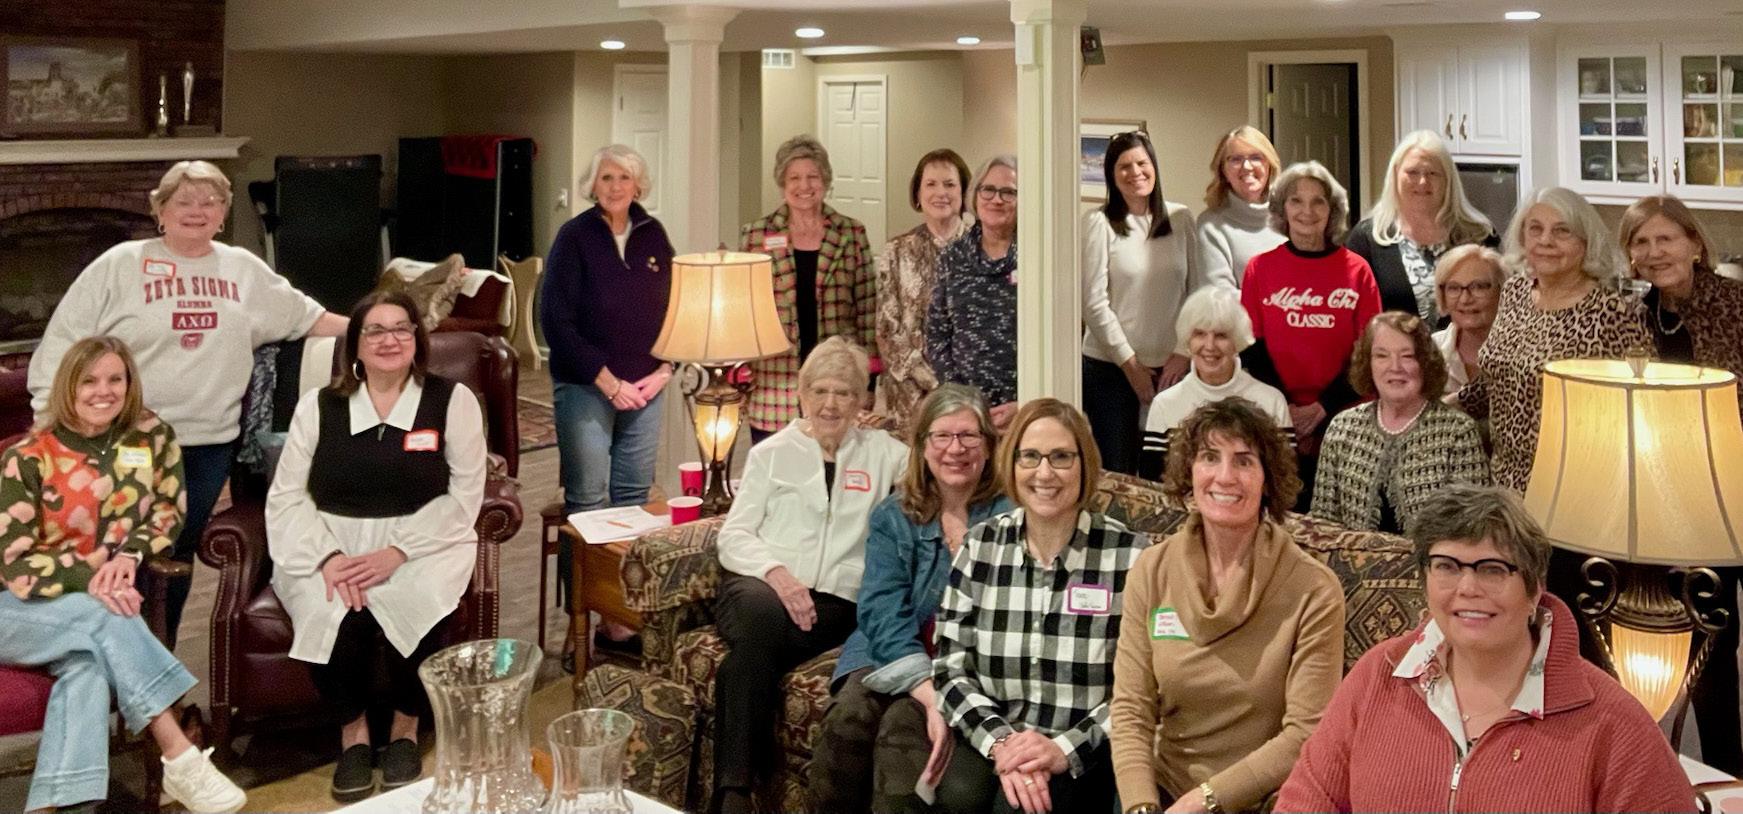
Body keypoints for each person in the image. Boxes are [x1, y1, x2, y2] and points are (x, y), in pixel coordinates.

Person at [27, 159, 348, 646]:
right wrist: (46, 421)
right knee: (110, 551)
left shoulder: (243, 269)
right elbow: (64, 343)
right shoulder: (120, 265)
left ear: (223, 214)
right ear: (160, 210)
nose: (197, 211)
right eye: (184, 201)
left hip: (204, 446)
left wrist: (383, 327)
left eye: (210, 201)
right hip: (120, 439)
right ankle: (103, 660)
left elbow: (309, 318)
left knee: (170, 558)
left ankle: (158, 657)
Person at [1275, 485, 1697, 813]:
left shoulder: (1612, 723)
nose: (1467, 588)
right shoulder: (1378, 676)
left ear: (1534, 589)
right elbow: (1309, 798)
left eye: (1493, 569)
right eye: (1447, 566)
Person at [1, 336, 246, 814]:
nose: (104, 391)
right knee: (105, 617)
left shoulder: (150, 437)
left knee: (88, 672)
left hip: (95, 609)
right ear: (68, 387)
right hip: (16, 609)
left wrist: (129, 556)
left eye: (116, 379)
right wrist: (96, 577)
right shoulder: (27, 456)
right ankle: (179, 752)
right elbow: (15, 564)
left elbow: (167, 512)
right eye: (89, 381)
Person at [266, 292, 486, 803]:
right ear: (356, 345)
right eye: (376, 330)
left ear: (417, 339)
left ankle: (406, 727)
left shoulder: (452, 401)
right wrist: (328, 558)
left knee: (418, 597)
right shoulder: (319, 405)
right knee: (329, 605)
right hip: (327, 538)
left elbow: (466, 493)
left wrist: (398, 552)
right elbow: (287, 496)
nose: (390, 340)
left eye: (402, 328)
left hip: (426, 539)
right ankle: (355, 734)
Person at [1112, 398, 1345, 814]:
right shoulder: (1152, 569)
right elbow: (1131, 709)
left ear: (1267, 480)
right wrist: (1139, 805)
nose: (1224, 476)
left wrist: (1203, 801)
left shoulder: (1313, 589)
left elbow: (1306, 733)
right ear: (1189, 472)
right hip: (1162, 792)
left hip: (1265, 799)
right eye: (1209, 457)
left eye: (1243, 461)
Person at [711, 336, 909, 814]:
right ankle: (736, 793)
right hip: (758, 585)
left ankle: (732, 794)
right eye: (819, 391)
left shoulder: (885, 454)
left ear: (862, 401)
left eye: (844, 392)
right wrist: (777, 574)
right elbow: (733, 536)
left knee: (746, 659)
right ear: (802, 395)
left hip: (834, 603)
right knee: (761, 618)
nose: (830, 404)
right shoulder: (772, 453)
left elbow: (936, 479)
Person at [933, 399, 1147, 814]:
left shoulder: (1130, 557)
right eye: (1029, 456)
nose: (1044, 473)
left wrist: (1063, 749)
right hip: (995, 733)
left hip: (1086, 750)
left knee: (1020, 810)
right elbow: (949, 667)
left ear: (1085, 464)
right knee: (956, 799)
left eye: (1061, 457)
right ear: (1011, 464)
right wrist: (1003, 744)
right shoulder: (981, 546)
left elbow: (1141, 688)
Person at [811, 384, 1012, 814]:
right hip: (887, 648)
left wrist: (939, 690)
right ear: (921, 445)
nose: (955, 449)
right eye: (942, 436)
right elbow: (881, 609)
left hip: (965, 661)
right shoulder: (893, 514)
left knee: (901, 734)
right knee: (847, 719)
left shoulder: (1010, 514)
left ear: (988, 445)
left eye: (968, 435)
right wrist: (925, 687)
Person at [1620, 194, 1743, 776]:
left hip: (1734, 486)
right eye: (1640, 242)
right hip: (1672, 497)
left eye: (1665, 238)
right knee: (1703, 644)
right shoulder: (1633, 314)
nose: (1654, 252)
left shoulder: (1735, 305)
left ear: (1694, 244)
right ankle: (1716, 772)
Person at [1455, 187, 1651, 493]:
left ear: (1586, 241)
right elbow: (1501, 376)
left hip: (1574, 485)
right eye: (1536, 229)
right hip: (1505, 480)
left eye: (1562, 231)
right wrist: (1437, 407)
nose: (1546, 241)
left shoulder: (1612, 308)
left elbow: (1643, 400)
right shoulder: (1515, 292)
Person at [1239, 161, 1381, 506]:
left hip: (1345, 418)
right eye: (1296, 200)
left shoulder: (1357, 270)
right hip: (1275, 417)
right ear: (1282, 208)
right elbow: (1250, 347)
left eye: (1318, 201)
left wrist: (1321, 409)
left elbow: (1370, 351)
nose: (1307, 211)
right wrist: (1287, 410)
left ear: (1332, 210)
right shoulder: (1260, 268)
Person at [541, 144, 673, 515]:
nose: (616, 187)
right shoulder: (574, 236)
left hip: (646, 389)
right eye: (607, 178)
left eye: (625, 178)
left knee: (635, 498)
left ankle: (624, 560)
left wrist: (665, 369)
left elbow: (677, 308)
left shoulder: (653, 234)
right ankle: (585, 560)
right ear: (593, 186)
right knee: (587, 500)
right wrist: (609, 383)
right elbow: (555, 321)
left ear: (638, 186)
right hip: (586, 387)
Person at [739, 135, 876, 444]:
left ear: (825, 180)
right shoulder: (756, 235)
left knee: (832, 463)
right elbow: (744, 310)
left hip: (836, 378)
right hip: (774, 380)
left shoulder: (851, 233)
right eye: (794, 178)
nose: (804, 185)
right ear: (782, 183)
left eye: (813, 176)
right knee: (776, 463)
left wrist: (870, 380)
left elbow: (868, 309)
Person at [1082, 130, 1202, 475]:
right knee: (1117, 471)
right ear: (1111, 175)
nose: (1135, 172)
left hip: (1173, 369)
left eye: (1141, 163)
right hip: (1110, 369)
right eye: (1124, 166)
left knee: (1170, 471)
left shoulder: (1181, 219)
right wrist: (1129, 364)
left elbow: (1197, 292)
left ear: (1154, 167)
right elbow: (1093, 302)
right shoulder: (1099, 222)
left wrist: (1183, 351)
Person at [1311, 312, 1489, 534]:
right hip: (1349, 557)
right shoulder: (1342, 428)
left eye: (1407, 356)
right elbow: (1322, 524)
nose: (1395, 367)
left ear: (1425, 363)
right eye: (1381, 356)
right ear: (1368, 364)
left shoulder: (1458, 431)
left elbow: (1474, 528)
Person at [1345, 131, 1499, 323]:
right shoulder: (1367, 239)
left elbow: (1502, 307)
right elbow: (1350, 315)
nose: (1423, 182)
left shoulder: (1479, 235)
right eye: (1412, 172)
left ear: (1448, 180)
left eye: (1433, 173)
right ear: (1395, 175)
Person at [1138, 287, 1290, 481]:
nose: (1209, 346)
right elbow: (1153, 485)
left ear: (1237, 341)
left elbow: (1284, 483)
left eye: (1221, 335)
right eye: (1200, 334)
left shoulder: (1271, 401)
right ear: (1188, 341)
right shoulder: (1164, 404)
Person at [876, 149, 973, 432]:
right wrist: (932, 382)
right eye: (931, 184)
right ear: (918, 194)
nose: (941, 193)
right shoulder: (896, 251)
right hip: (910, 396)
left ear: (964, 193)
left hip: (970, 394)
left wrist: (956, 385)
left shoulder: (981, 250)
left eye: (950, 184)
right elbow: (887, 330)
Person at [928, 155, 1020, 430]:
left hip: (1022, 409)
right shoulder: (953, 256)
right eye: (988, 189)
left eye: (1009, 192)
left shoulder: (1038, 257)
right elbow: (937, 334)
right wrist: (962, 400)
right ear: (975, 195)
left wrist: (1026, 401)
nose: (996, 199)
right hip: (964, 409)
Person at [1196, 126, 1286, 291]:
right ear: (1223, 170)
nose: (1247, 166)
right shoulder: (1211, 225)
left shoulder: (1293, 216)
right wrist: (1279, 301)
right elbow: (1219, 295)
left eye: (1256, 157)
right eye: (1236, 159)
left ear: (1269, 165)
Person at [1430, 245, 1506, 395]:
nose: (1465, 299)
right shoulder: (1428, 351)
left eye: (1478, 287)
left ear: (1503, 290)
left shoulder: (1526, 351)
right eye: (1454, 288)